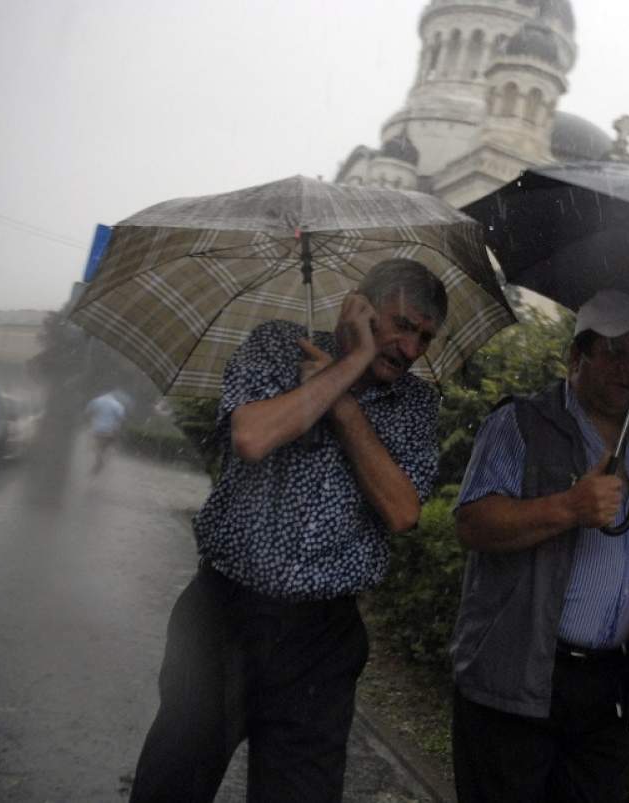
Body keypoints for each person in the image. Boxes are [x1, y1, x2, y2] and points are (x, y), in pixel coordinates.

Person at [129, 258, 448, 803]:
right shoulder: (275, 346)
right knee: (173, 782)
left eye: (425, 337)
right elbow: (252, 436)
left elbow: (402, 511)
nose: (411, 348)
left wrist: (341, 405)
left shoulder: (416, 404)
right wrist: (343, 367)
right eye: (401, 324)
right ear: (359, 306)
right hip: (223, 618)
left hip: (321, 639)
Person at [449, 289, 629, 803]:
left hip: (607, 688)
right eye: (613, 350)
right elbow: (473, 525)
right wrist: (569, 507)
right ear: (575, 356)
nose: (627, 367)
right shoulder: (518, 424)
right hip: (517, 676)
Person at [85, 390, 126, 473]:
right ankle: (103, 459)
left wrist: (92, 419)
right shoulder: (117, 404)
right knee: (105, 447)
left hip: (97, 428)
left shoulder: (97, 401)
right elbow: (121, 417)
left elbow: (88, 411)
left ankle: (100, 460)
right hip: (110, 430)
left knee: (97, 446)